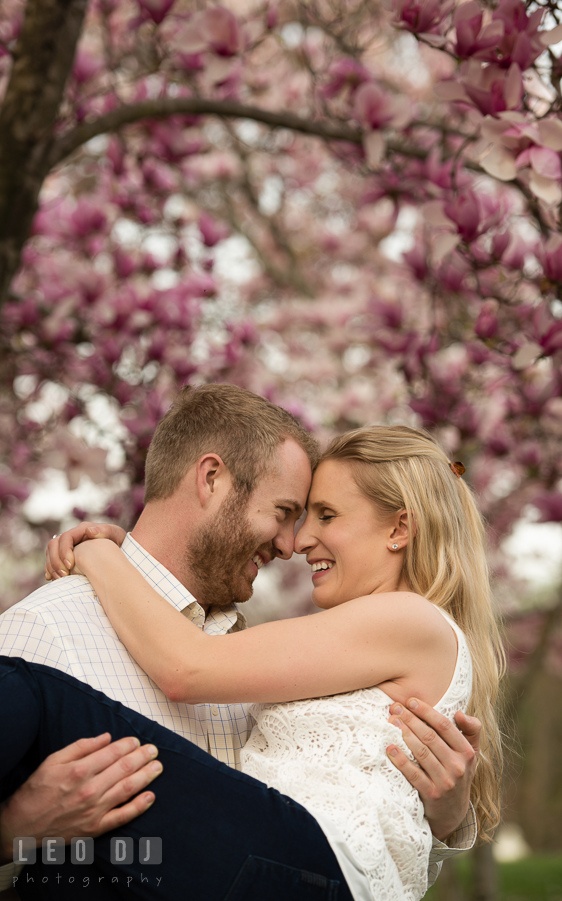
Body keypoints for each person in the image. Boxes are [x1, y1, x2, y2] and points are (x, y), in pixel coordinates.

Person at [0, 385, 482, 898]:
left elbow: (187, 669)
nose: (294, 543)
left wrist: (98, 552)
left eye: (325, 515)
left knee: (34, 693)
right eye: (287, 512)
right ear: (211, 478)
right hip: (289, 870)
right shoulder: (49, 627)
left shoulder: (400, 621)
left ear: (399, 528)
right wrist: (13, 830)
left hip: (306, 868)